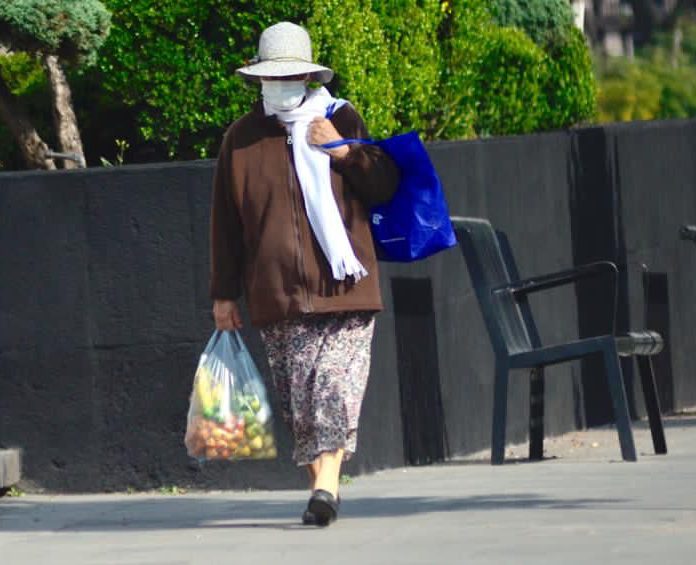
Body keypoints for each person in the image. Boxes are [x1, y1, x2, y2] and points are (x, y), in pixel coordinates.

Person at [209, 21, 399, 527]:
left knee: (334, 392)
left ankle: (326, 488)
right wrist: (224, 294)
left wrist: (342, 149)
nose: (283, 83)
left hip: (346, 288)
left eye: (292, 75)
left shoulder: (339, 116)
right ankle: (324, 486)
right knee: (300, 408)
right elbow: (226, 223)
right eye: (275, 76)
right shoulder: (242, 139)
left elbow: (382, 184)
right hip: (276, 294)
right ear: (259, 81)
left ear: (309, 76)